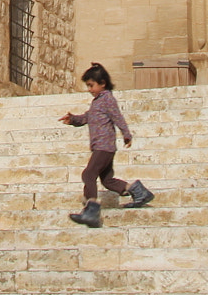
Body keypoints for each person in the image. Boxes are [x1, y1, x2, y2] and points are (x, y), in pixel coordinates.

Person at [58, 62, 154, 227]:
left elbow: (117, 117)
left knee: (88, 174)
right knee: (107, 181)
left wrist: (126, 134)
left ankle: (92, 211)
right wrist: (73, 119)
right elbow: (87, 117)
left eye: (91, 85)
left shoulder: (108, 99)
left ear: (102, 83)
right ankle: (139, 192)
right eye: (88, 86)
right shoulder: (97, 102)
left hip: (104, 146)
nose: (89, 89)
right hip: (101, 147)